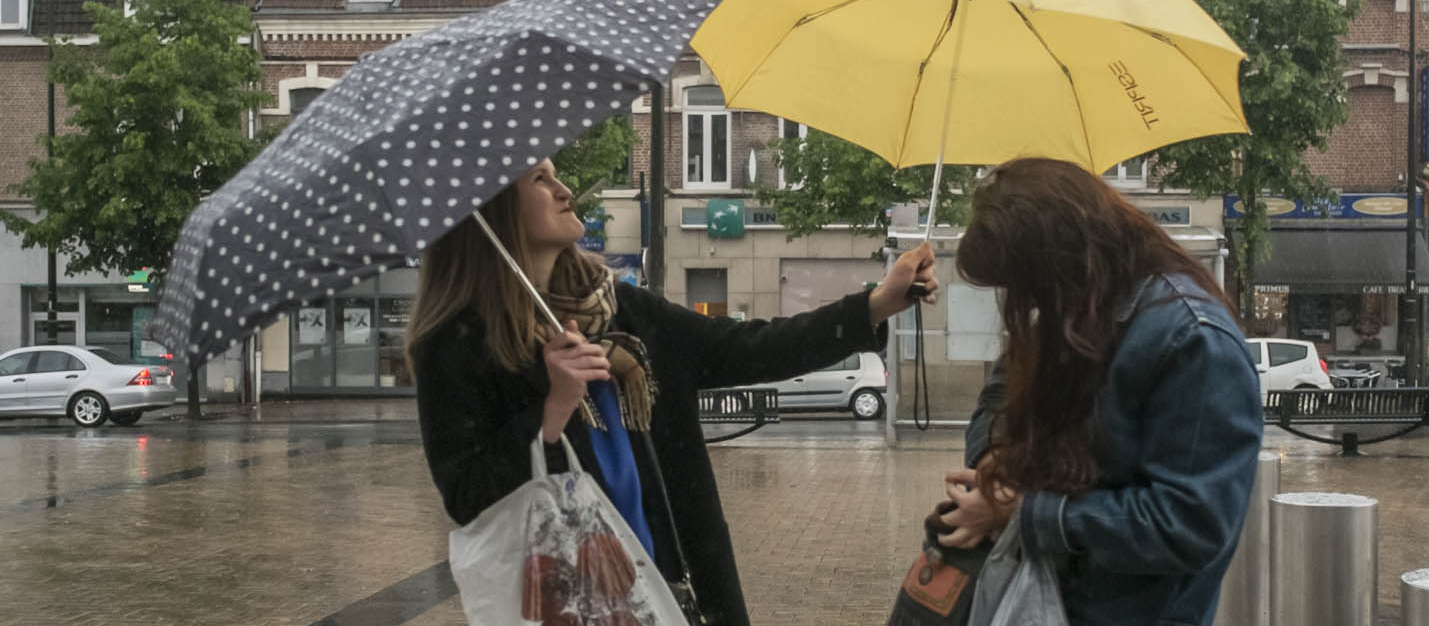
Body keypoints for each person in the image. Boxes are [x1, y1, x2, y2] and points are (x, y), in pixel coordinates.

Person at [407, 158, 936, 626]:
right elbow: (467, 495)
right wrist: (551, 410)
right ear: (494, 212)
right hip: (578, 599)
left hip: (686, 588)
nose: (564, 189)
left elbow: (755, 347)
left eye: (557, 174)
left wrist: (875, 306)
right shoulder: (454, 346)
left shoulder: (627, 311)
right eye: (540, 180)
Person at [932, 158, 1262, 626]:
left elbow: (1191, 523)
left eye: (1029, 286)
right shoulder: (1078, 307)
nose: (1026, 304)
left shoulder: (1193, 339)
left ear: (1063, 258)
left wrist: (1022, 514)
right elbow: (998, 395)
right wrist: (992, 462)